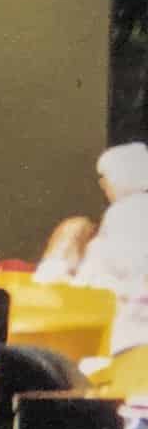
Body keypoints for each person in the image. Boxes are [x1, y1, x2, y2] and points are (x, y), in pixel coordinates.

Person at [73, 142, 148, 352]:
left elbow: (120, 264)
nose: (103, 185)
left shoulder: (122, 212)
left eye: (105, 177)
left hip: (131, 322)